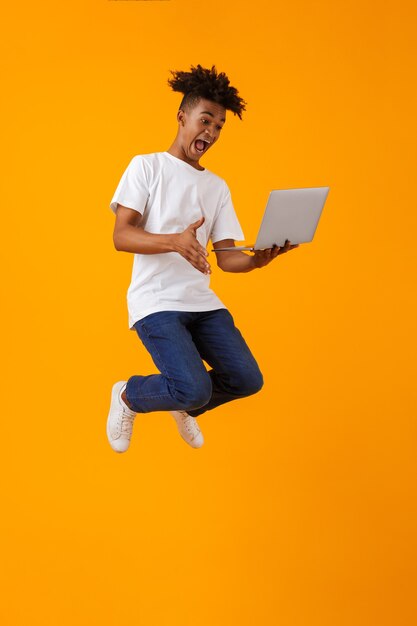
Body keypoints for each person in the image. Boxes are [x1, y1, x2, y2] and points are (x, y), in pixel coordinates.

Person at [106, 64, 299, 453]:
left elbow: (227, 258)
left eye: (219, 127)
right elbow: (121, 235)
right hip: (157, 302)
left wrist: (260, 259)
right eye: (205, 120)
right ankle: (129, 394)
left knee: (246, 379)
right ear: (182, 117)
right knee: (192, 388)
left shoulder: (217, 187)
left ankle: (185, 404)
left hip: (202, 304)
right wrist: (175, 242)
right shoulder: (147, 167)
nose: (210, 133)